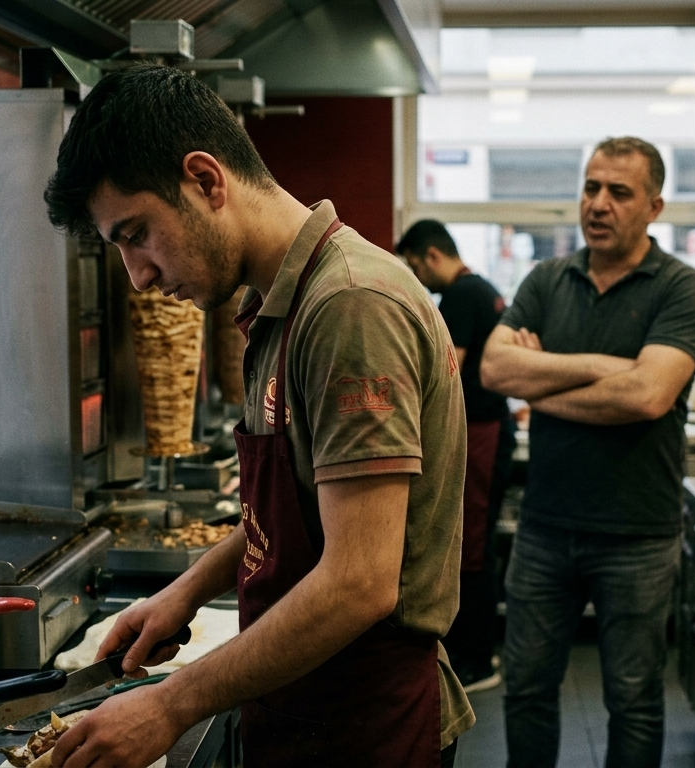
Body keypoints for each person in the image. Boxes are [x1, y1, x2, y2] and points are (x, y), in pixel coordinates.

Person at [42, 64, 473, 768]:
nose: (138, 276)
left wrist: (169, 704)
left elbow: (360, 580)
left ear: (207, 180)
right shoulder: (284, 305)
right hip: (305, 704)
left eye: (137, 234)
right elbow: (294, 520)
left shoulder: (349, 308)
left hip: (364, 725)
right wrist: (185, 590)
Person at [480, 136, 695, 768]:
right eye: (590, 187)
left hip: (637, 535)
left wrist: (543, 383)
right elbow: (495, 369)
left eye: (619, 192)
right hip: (545, 528)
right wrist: (595, 368)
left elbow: (645, 397)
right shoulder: (548, 279)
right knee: (527, 689)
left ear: (655, 207)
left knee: (633, 698)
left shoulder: (682, 289)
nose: (599, 204)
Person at [397, 219, 513, 694]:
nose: (418, 278)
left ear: (430, 255)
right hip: (491, 426)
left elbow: (448, 370)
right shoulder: (484, 288)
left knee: (472, 547)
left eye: (415, 266)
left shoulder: (463, 296)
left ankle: (478, 658)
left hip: (481, 432)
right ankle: (475, 649)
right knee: (473, 544)